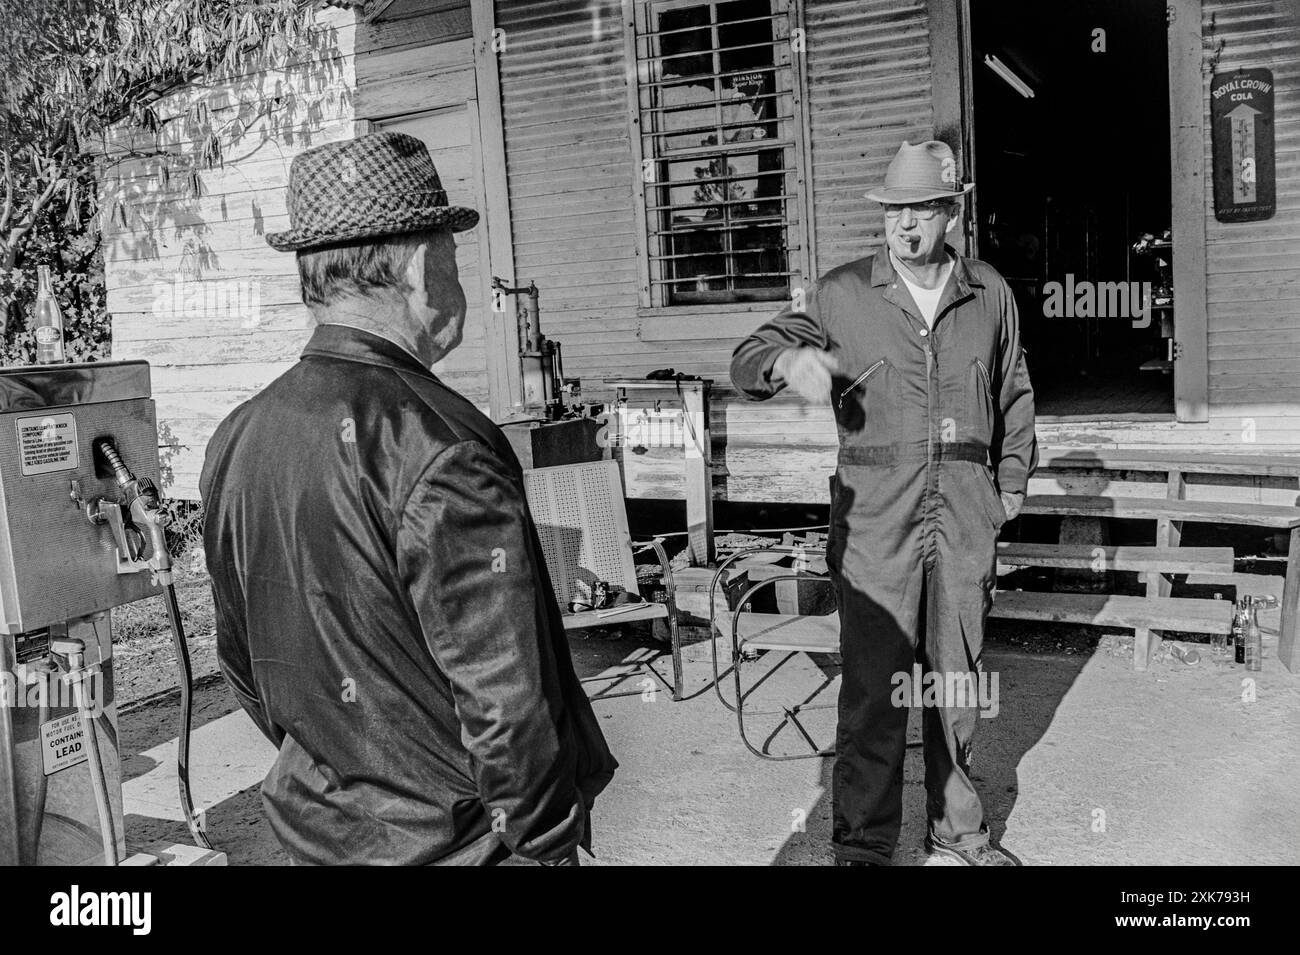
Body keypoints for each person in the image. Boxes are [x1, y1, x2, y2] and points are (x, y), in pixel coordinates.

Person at [201, 131, 617, 865]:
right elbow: (506, 701)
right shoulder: (442, 441)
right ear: (425, 268)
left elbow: (244, 660)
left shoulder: (237, 436)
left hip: (315, 834)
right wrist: (547, 845)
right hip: (453, 846)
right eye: (454, 256)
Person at [730, 140, 1036, 866]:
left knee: (956, 686)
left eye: (923, 209)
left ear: (951, 212)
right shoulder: (841, 293)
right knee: (873, 691)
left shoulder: (987, 293)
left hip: (963, 514)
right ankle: (864, 844)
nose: (905, 225)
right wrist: (784, 361)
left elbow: (1013, 390)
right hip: (874, 520)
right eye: (895, 209)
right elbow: (748, 357)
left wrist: (1011, 485)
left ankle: (959, 832)